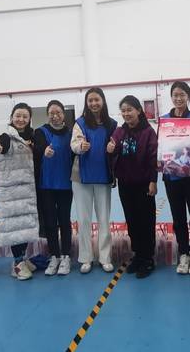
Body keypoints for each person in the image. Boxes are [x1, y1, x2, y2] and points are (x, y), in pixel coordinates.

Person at [160, 81, 190, 275]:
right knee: (178, 217)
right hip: (172, 177)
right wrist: (159, 161)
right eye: (175, 95)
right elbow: (161, 146)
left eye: (182, 95)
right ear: (171, 97)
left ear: (188, 97)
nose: (178, 98)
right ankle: (184, 253)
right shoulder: (164, 120)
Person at [108, 96, 158, 278]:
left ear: (138, 110)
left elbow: (153, 157)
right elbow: (113, 150)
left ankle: (148, 258)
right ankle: (138, 254)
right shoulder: (119, 131)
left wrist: (153, 181)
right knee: (132, 221)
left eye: (129, 109)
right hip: (125, 183)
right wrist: (110, 150)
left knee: (146, 221)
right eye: (123, 110)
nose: (126, 113)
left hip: (143, 184)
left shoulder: (148, 132)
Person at [71, 87, 117, 273]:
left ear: (103, 101)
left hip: (103, 176)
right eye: (90, 100)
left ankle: (105, 257)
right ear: (86, 103)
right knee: (83, 219)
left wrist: (114, 147)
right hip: (80, 177)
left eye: (96, 99)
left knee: (104, 218)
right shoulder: (80, 123)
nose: (93, 103)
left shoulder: (112, 124)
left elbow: (116, 145)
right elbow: (74, 144)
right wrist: (80, 146)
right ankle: (86, 258)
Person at [0, 103, 39, 281]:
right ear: (12, 117)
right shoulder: (6, 136)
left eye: (25, 116)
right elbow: (2, 146)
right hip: (13, 190)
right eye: (18, 116)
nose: (21, 119)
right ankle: (17, 263)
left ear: (29, 119)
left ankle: (22, 258)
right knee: (15, 227)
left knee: (26, 225)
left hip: (29, 188)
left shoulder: (33, 136)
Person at [33, 100, 74, 276]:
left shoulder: (71, 133)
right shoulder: (41, 132)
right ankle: (54, 256)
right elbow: (39, 148)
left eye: (58, 112)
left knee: (64, 220)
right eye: (52, 113)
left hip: (66, 184)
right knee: (50, 222)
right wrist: (44, 151)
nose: (55, 116)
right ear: (47, 114)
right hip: (47, 184)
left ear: (63, 114)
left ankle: (66, 256)